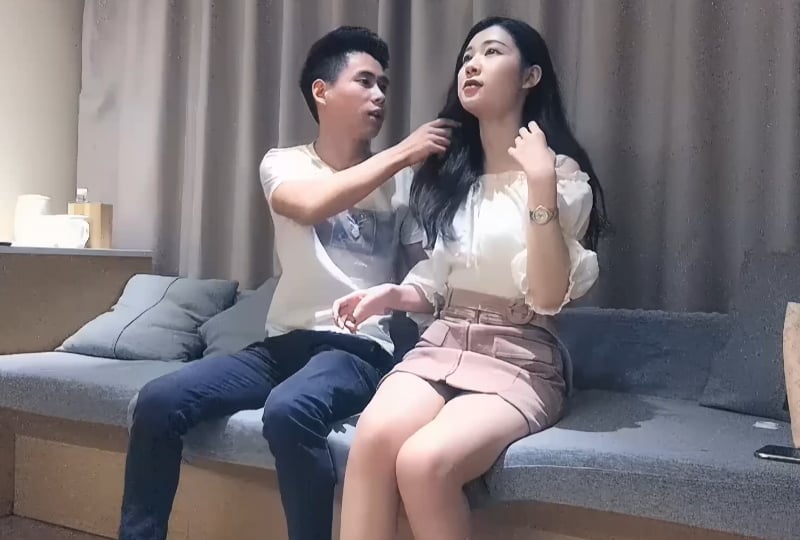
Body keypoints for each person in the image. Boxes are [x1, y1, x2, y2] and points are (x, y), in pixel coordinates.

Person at [117, 26, 457, 540]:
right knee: (158, 400)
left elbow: (422, 276)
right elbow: (308, 205)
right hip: (281, 345)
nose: (380, 96)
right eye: (365, 81)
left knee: (290, 410)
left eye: (384, 85)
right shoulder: (284, 163)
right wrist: (403, 153)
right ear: (322, 91)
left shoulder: (404, 185)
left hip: (359, 349)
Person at [333, 16, 607, 540]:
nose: (472, 65)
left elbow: (549, 295)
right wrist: (392, 295)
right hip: (443, 340)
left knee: (424, 463)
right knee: (372, 440)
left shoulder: (561, 175)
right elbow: (440, 279)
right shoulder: (451, 178)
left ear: (530, 77)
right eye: (466, 57)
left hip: (519, 353)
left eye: (492, 52)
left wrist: (540, 182)